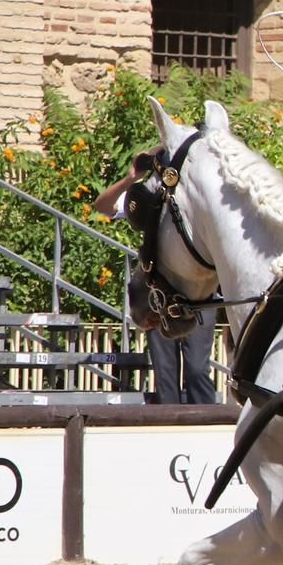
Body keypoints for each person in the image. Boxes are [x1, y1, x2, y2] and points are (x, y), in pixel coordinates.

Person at [94, 148, 218, 404]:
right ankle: (169, 425)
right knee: (165, 371)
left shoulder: (195, 191)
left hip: (198, 290)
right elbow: (102, 206)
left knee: (197, 369)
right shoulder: (150, 191)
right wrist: (131, 177)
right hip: (159, 290)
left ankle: (206, 423)